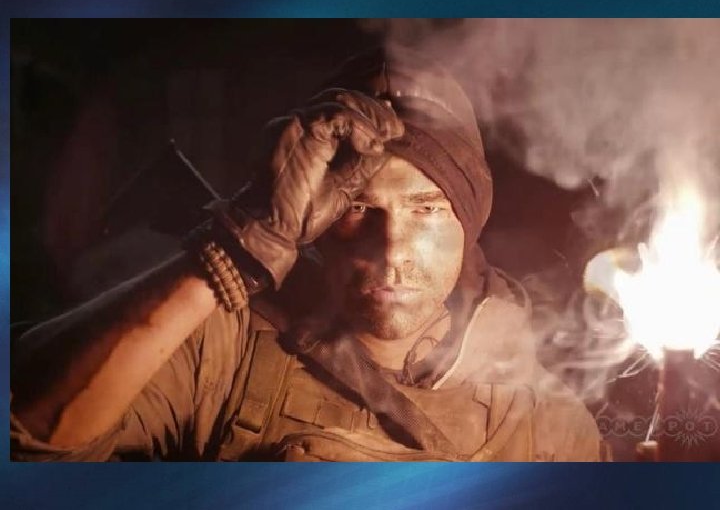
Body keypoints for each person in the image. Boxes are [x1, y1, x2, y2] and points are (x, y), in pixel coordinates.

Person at [10, 45, 604, 461]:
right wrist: (240, 246)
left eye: (426, 209)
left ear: (469, 221)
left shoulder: (544, 420)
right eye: (357, 209)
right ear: (311, 220)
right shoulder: (226, 351)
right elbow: (29, 435)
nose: (391, 248)